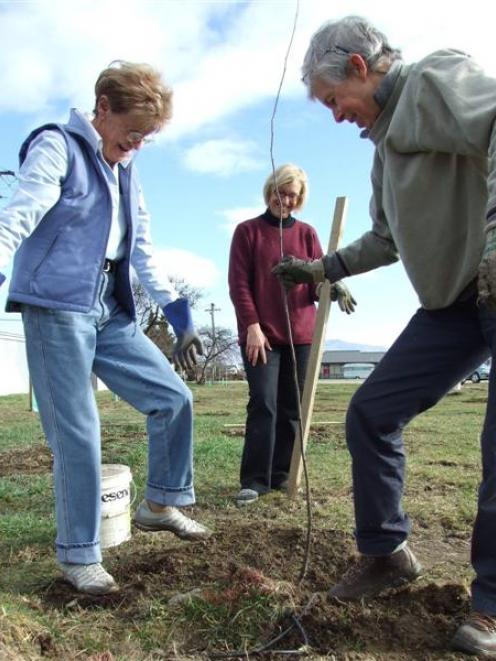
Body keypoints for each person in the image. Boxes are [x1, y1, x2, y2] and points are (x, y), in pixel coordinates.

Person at [272, 15, 496, 656]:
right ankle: (386, 552)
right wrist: (322, 268)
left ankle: (491, 608)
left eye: (331, 98)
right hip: (455, 301)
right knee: (372, 411)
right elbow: (388, 239)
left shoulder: (435, 79)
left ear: (360, 69)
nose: (335, 114)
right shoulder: (384, 146)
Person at [0, 61, 211, 596]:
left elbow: (140, 250)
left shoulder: (127, 170)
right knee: (78, 432)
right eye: (133, 130)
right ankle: (78, 555)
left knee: (172, 398)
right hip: (57, 306)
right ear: (102, 109)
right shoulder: (57, 147)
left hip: (109, 308)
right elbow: (20, 214)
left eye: (148, 137)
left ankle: (160, 504)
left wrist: (180, 314)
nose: (137, 144)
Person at [228, 164, 356, 506]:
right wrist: (251, 326)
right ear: (269, 190)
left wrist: (332, 285)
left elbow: (314, 282)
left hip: (300, 334)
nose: (283, 199)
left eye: (291, 195)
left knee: (291, 408)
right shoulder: (247, 232)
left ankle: (282, 475)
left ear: (299, 199)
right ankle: (254, 481)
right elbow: (239, 285)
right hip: (262, 335)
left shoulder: (308, 234)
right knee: (264, 404)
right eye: (279, 191)